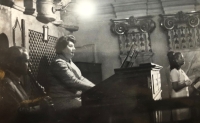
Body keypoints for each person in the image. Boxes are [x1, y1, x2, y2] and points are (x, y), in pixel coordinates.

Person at [0, 46, 54, 123]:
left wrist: (39, 100)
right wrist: (41, 107)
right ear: (15, 63)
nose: (30, 64)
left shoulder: (16, 80)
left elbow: (22, 103)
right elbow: (16, 113)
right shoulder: (7, 83)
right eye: (27, 61)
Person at [48, 35, 95, 120]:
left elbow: (81, 78)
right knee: (93, 106)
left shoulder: (69, 62)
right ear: (62, 48)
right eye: (70, 46)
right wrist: (94, 88)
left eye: (74, 46)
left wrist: (96, 87)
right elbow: (72, 82)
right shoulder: (59, 63)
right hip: (63, 101)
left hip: (73, 98)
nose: (74, 49)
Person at [167, 51, 200, 121]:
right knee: (180, 118)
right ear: (176, 60)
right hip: (178, 97)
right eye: (181, 57)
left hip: (183, 96)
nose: (183, 59)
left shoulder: (180, 70)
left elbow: (189, 82)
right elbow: (175, 87)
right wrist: (185, 84)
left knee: (185, 117)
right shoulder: (174, 71)